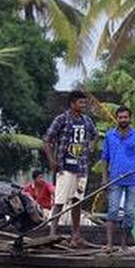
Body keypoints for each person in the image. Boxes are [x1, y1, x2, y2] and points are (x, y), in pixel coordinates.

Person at [44, 90, 99, 248]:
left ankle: (76, 235)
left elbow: (95, 134)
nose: (83, 105)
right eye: (80, 103)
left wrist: (90, 146)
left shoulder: (86, 120)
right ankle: (52, 233)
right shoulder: (62, 119)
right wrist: (52, 160)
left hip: (81, 167)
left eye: (84, 103)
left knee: (77, 201)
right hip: (65, 166)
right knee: (60, 200)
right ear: (72, 103)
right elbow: (47, 140)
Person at [100, 105, 135, 253]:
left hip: (132, 180)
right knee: (113, 211)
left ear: (130, 118)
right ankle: (109, 244)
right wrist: (104, 177)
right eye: (120, 117)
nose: (123, 120)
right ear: (117, 118)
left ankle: (123, 245)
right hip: (115, 179)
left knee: (129, 213)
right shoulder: (109, 136)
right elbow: (104, 158)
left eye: (125, 117)